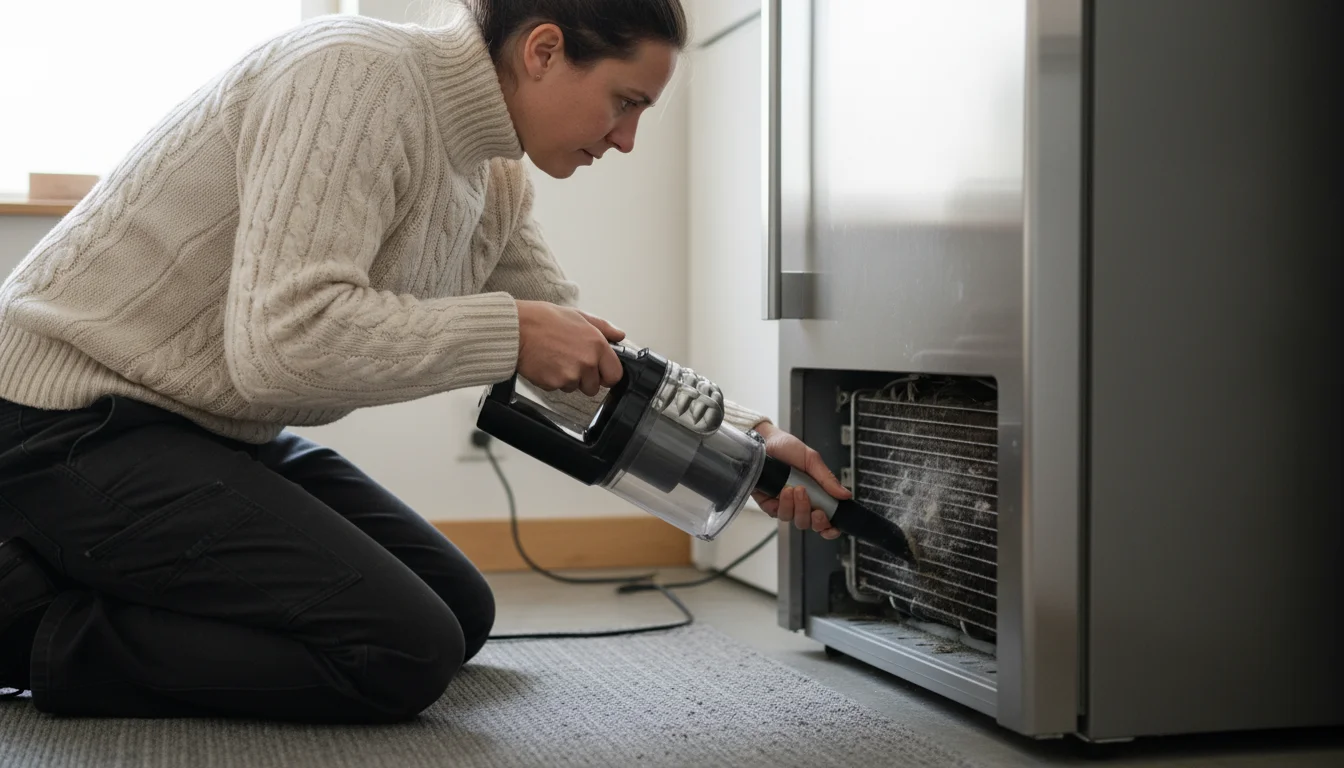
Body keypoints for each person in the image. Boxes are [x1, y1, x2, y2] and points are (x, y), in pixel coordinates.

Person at [0, 0, 849, 722]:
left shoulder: (495, 175)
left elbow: (590, 367)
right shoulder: (353, 74)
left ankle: (75, 563)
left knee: (460, 610)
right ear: (543, 49)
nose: (625, 139)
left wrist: (745, 448)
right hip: (62, 420)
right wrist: (510, 331)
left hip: (205, 429)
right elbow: (281, 345)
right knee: (399, 649)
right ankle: (25, 622)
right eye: (624, 103)